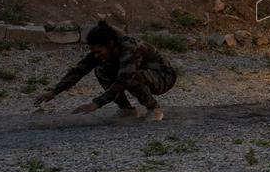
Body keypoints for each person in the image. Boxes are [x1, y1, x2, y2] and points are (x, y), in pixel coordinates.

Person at [34, 21, 176, 121]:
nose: (96, 55)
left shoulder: (129, 48)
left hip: (163, 77)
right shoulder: (107, 49)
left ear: (110, 45)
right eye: (93, 52)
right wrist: (55, 91)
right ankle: (127, 110)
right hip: (141, 74)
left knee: (131, 78)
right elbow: (80, 69)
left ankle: (154, 109)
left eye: (99, 51)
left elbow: (124, 79)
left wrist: (97, 103)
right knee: (101, 70)